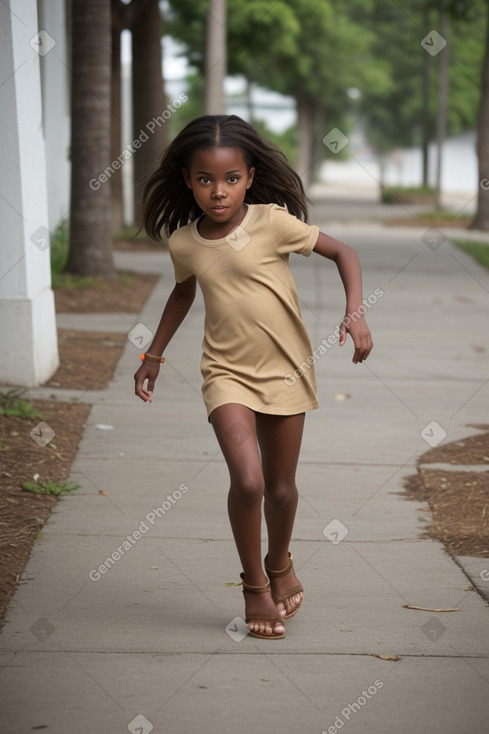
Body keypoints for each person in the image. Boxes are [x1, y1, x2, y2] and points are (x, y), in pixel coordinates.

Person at [134, 114, 373, 640]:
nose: (218, 192)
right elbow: (183, 291)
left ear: (249, 176)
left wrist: (355, 313)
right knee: (249, 480)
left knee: (282, 490)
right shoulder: (185, 242)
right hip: (226, 375)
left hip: (287, 371)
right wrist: (153, 354)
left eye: (231, 179)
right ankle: (254, 584)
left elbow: (344, 253)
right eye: (205, 180)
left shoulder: (271, 222)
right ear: (187, 180)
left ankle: (281, 560)